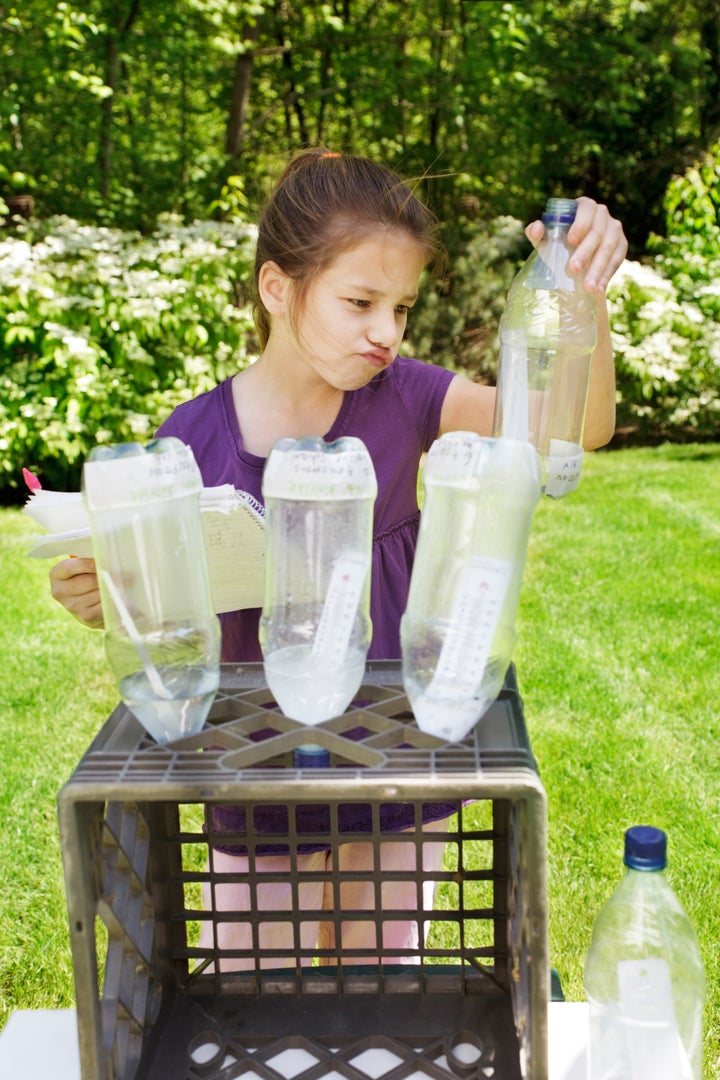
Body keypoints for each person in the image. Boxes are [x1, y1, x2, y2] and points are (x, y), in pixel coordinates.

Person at [49, 149, 628, 969]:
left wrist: (585, 301)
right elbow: (160, 604)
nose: (387, 332)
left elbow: (572, 429)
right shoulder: (192, 437)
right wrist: (107, 592)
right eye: (360, 301)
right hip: (250, 768)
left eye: (401, 306)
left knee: (381, 987)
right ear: (279, 288)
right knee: (256, 989)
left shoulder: (410, 399)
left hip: (392, 760)